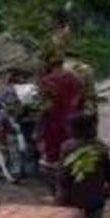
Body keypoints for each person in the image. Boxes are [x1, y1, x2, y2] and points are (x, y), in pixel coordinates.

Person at [57, 112, 110, 218]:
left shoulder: (67, 147)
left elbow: (64, 175)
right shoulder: (100, 146)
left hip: (72, 198)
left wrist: (60, 196)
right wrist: (107, 187)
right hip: (96, 197)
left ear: (74, 128)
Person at [36, 52, 84, 194]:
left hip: (53, 121)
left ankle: (57, 188)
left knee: (54, 154)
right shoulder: (74, 78)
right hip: (72, 120)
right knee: (72, 149)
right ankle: (74, 180)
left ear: (50, 65)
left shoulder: (46, 81)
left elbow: (44, 105)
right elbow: (80, 94)